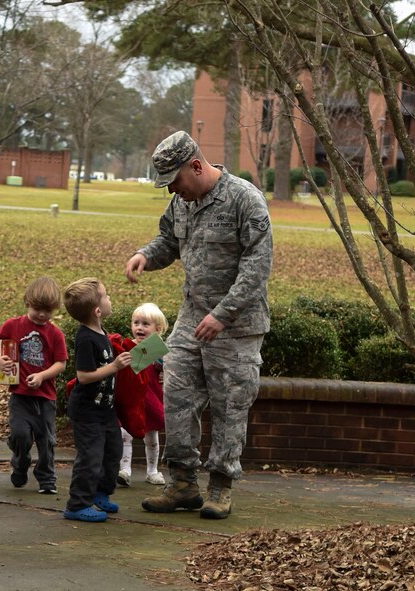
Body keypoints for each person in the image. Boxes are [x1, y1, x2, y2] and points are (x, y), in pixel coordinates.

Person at [125, 130, 272, 520]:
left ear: (195, 166)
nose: (173, 190)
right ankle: (183, 483)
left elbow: (258, 267)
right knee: (176, 394)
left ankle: (220, 487)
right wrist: (145, 255)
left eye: (175, 181)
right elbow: (168, 242)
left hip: (237, 324)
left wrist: (222, 314)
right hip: (192, 317)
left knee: (229, 404)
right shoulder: (182, 204)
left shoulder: (245, 200)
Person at [0, 276, 68, 494]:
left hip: (45, 397)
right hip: (20, 396)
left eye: (48, 310)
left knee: (47, 440)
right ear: (27, 302)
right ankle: (20, 464)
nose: (42, 315)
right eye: (38, 309)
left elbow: (61, 363)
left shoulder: (55, 334)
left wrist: (42, 376)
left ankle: (47, 478)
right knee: (20, 435)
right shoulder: (14, 325)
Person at [61, 277, 132, 522]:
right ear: (98, 310)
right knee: (90, 457)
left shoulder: (102, 332)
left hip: (106, 410)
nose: (110, 297)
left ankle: (100, 493)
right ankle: (77, 504)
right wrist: (114, 366)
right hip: (87, 411)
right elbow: (84, 376)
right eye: (106, 295)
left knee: (113, 452)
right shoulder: (86, 338)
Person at [117, 302, 168, 487]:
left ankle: (152, 470)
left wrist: (164, 372)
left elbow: (170, 370)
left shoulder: (159, 351)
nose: (139, 327)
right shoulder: (127, 346)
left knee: (152, 437)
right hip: (132, 399)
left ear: (158, 329)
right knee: (125, 434)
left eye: (145, 324)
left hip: (151, 399)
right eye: (136, 322)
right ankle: (124, 470)